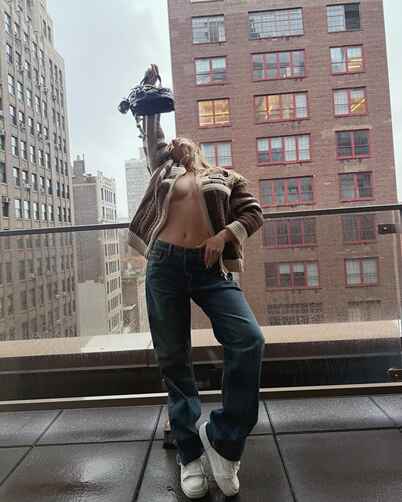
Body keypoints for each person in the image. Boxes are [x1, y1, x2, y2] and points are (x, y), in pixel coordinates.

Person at [128, 64, 265, 499]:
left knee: (249, 339)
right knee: (173, 359)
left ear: (199, 152)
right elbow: (152, 134)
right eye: (172, 145)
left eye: (183, 144)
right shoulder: (163, 171)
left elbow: (254, 213)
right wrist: (149, 91)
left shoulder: (223, 177)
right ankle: (189, 453)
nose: (176, 146)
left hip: (210, 269)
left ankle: (224, 441)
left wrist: (224, 236)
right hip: (164, 265)